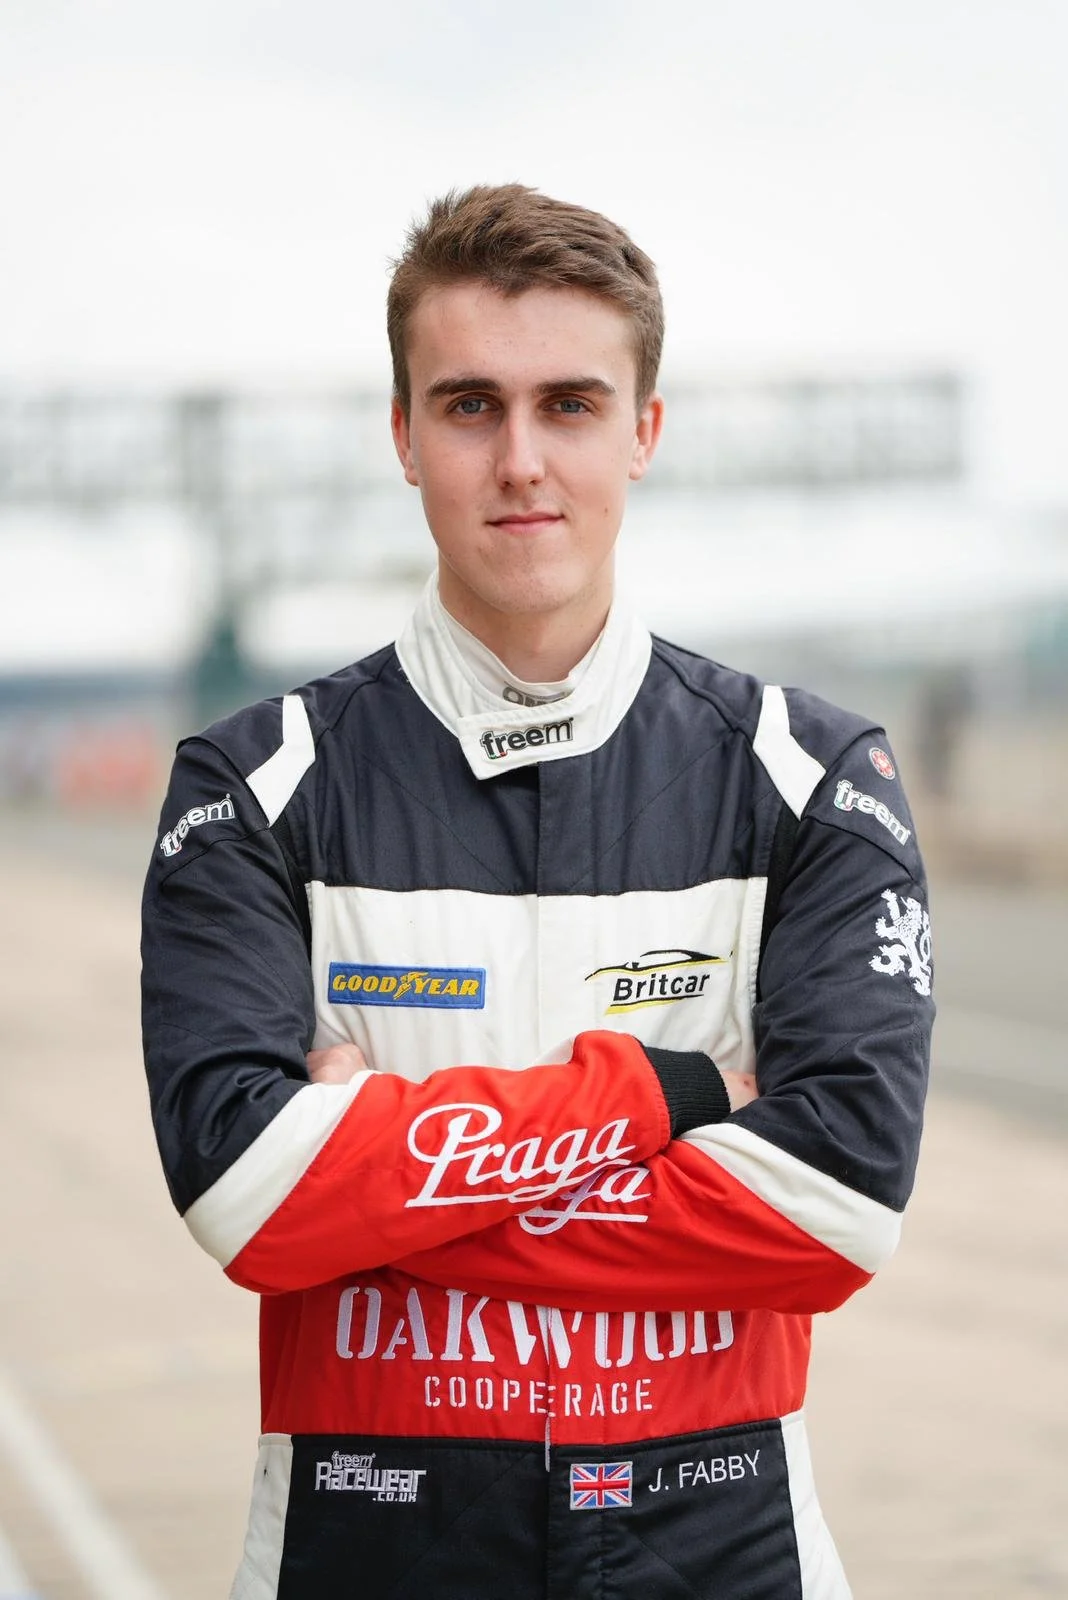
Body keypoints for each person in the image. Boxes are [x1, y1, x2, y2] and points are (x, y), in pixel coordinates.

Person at [141, 184, 933, 1599]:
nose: (521, 461)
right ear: (402, 435)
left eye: (570, 404)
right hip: (363, 1546)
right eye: (468, 406)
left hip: (725, 1548)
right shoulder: (251, 783)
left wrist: (379, 1182)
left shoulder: (812, 777)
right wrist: (665, 1103)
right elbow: (251, 1197)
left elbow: (839, 1207)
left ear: (644, 430)